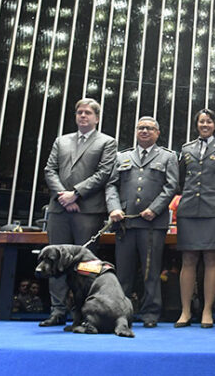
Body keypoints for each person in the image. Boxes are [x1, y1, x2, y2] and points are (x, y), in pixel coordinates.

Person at [41, 97, 117, 327]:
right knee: (54, 262)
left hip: (88, 211)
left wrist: (76, 194)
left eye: (88, 113)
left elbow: (104, 174)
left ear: (97, 118)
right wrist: (64, 196)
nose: (83, 116)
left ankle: (84, 312)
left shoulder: (107, 142)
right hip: (59, 210)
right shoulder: (61, 141)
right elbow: (49, 169)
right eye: (79, 112)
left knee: (85, 266)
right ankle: (57, 311)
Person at [106, 116, 179, 328]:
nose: (144, 131)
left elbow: (171, 186)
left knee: (151, 271)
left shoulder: (168, 156)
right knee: (124, 273)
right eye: (140, 128)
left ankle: (150, 314)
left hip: (152, 224)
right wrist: (114, 208)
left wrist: (155, 209)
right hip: (125, 222)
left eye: (149, 128)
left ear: (157, 133)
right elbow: (111, 185)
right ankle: (120, 313)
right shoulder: (122, 156)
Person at [174, 108, 215, 328]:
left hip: (213, 211)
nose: (205, 125)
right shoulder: (186, 148)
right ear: (196, 125)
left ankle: (207, 312)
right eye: (201, 122)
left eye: (209, 122)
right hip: (189, 209)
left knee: (211, 258)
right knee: (188, 259)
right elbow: (180, 180)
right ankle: (185, 311)